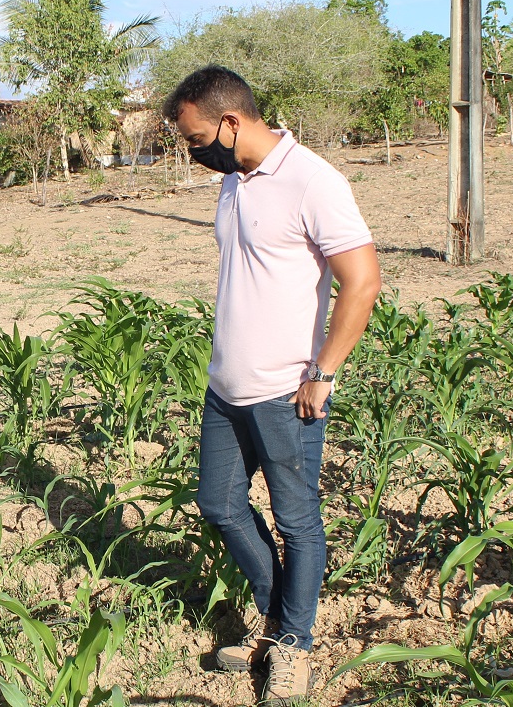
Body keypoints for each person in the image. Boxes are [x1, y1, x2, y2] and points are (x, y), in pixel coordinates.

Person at [162, 65, 381, 705]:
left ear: (231, 122)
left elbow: (362, 282)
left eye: (198, 137)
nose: (194, 150)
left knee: (296, 522)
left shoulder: (314, 181)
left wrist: (324, 371)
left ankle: (294, 645)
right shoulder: (233, 180)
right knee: (220, 506)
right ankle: (278, 617)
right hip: (225, 388)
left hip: (287, 393)